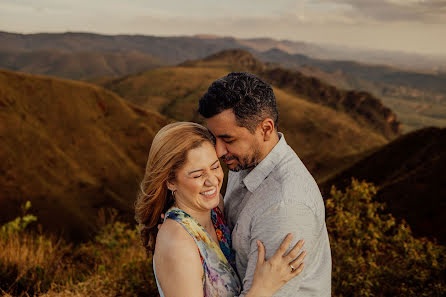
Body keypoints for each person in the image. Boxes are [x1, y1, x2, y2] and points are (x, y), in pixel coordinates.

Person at [135, 122, 306, 297]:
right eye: (197, 175)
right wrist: (262, 289)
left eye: (215, 167)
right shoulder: (178, 244)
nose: (212, 181)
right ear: (170, 181)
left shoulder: (216, 207)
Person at [198, 72, 332, 296]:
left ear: (266, 129)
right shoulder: (243, 163)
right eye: (215, 138)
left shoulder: (283, 207)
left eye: (228, 139)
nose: (219, 151)